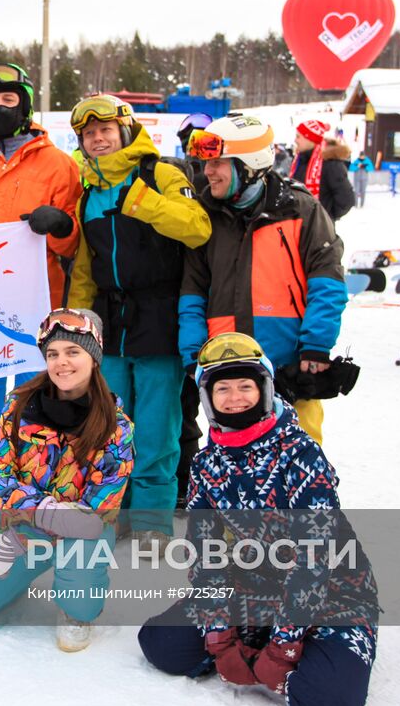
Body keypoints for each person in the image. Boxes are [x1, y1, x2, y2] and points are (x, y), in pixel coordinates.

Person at [139, 332, 376, 706]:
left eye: (246, 386)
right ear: (207, 397)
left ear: (264, 388)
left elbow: (315, 560)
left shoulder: (299, 453)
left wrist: (284, 647)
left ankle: (311, 646)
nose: (235, 398)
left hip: (332, 592)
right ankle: (261, 635)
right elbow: (206, 553)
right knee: (161, 644)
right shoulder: (206, 463)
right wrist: (219, 634)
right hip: (253, 583)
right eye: (223, 389)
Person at [0, 309, 133, 652]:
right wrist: (40, 509)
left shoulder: (116, 425)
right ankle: (15, 577)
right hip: (26, 525)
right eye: (53, 354)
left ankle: (75, 606)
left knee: (80, 591)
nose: (62, 363)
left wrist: (64, 517)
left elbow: (104, 503)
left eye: (73, 352)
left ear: (94, 357)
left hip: (83, 532)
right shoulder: (19, 406)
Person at [66, 95, 211, 547]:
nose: (98, 139)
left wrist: (143, 202)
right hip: (110, 325)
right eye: (90, 134)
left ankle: (151, 525)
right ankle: (112, 516)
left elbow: (197, 226)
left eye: (106, 130)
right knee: (107, 428)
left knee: (156, 430)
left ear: (125, 132)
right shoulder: (87, 192)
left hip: (159, 321)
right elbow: (87, 266)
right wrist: (77, 325)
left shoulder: (161, 174)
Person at [0, 62, 83, 520]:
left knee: (36, 406)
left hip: (39, 306)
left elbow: (76, 239)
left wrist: (60, 225)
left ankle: (31, 492)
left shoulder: (58, 163)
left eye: (9, 100)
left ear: (24, 105)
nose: (0, 107)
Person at [179, 115, 347, 444]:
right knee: (230, 464)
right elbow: (192, 292)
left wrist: (315, 345)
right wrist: (193, 353)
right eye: (206, 163)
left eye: (217, 163)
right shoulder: (205, 218)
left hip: (290, 363)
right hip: (225, 365)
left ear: (249, 165)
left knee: (298, 457)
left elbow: (328, 283)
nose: (207, 172)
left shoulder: (301, 210)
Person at [290, 120, 356, 221]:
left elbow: (346, 200)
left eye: (298, 136)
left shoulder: (331, 164)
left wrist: (326, 217)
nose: (295, 140)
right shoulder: (300, 161)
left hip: (320, 231)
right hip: (297, 226)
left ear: (310, 139)